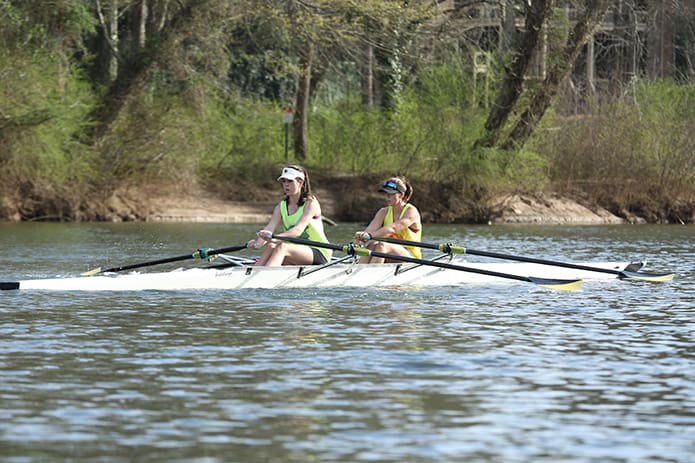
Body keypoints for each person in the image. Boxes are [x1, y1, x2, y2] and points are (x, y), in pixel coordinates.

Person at [247, 165, 332, 266]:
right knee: (271, 246)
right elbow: (269, 228)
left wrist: (275, 238)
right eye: (284, 181)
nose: (286, 185)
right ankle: (254, 274)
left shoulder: (310, 203)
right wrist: (257, 244)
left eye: (290, 181)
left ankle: (265, 277)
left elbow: (297, 231)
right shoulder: (281, 206)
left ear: (300, 183)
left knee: (282, 247)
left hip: (319, 251)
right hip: (295, 250)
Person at [354, 176, 422, 263]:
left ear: (401, 195)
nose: (387, 196)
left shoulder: (411, 212)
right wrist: (361, 238)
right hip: (389, 253)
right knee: (371, 246)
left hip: (410, 256)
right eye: (386, 193)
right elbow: (370, 230)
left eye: (391, 194)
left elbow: (392, 229)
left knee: (382, 245)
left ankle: (371, 273)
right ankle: (360, 271)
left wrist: (370, 236)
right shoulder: (383, 212)